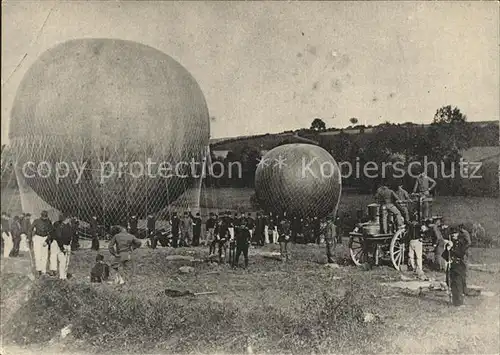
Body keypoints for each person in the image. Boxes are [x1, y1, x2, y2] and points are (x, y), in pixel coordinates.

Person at [443, 227, 470, 306]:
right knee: (451, 282)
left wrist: (451, 249)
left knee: (458, 283)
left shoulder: (462, 243)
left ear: (458, 234)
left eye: (455, 233)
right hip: (451, 265)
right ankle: (455, 301)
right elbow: (445, 256)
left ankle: (459, 302)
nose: (453, 235)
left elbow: (461, 254)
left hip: (459, 265)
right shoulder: (450, 243)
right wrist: (447, 249)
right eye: (452, 234)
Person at [29, 211, 53, 277]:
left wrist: (47, 241)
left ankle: (43, 271)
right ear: (41, 215)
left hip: (45, 238)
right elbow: (30, 229)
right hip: (37, 238)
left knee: (44, 256)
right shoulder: (36, 221)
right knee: (37, 255)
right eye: (43, 216)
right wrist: (30, 238)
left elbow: (51, 232)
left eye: (45, 217)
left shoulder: (49, 222)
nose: (44, 218)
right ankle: (39, 270)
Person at [55, 215, 74, 280]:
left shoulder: (69, 226)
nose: (69, 220)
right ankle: (61, 276)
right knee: (62, 261)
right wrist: (62, 248)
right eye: (69, 218)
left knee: (67, 262)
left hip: (68, 245)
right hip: (62, 245)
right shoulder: (60, 226)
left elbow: (71, 235)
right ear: (66, 219)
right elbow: (58, 238)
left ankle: (65, 275)